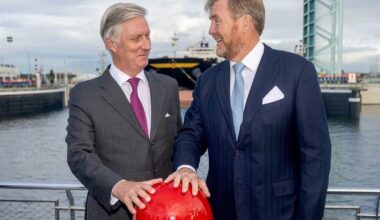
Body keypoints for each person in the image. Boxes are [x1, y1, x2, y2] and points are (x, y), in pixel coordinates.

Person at [165, 0, 331, 219]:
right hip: (222, 212)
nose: (211, 30)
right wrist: (186, 167)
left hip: (279, 213)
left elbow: (315, 156)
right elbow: (191, 134)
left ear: (245, 22)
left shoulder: (297, 71)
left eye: (216, 20)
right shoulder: (207, 81)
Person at [66, 3, 181, 220]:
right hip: (112, 214)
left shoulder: (168, 87)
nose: (146, 45)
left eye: (148, 36)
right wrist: (120, 187)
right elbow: (78, 155)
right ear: (112, 44)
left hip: (166, 212)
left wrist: (187, 170)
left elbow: (179, 142)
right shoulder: (85, 95)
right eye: (136, 38)